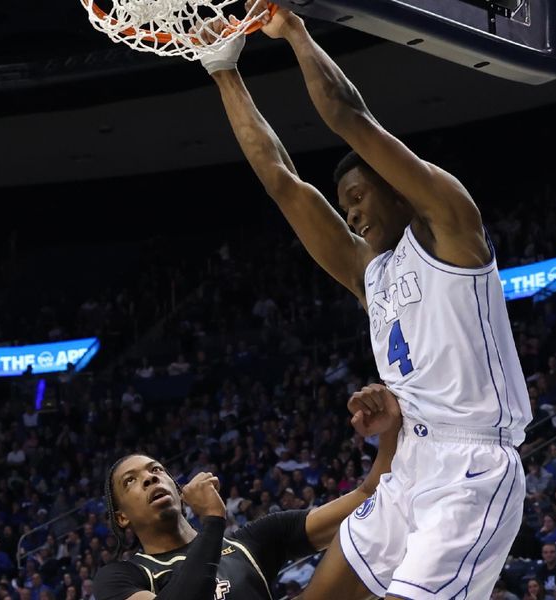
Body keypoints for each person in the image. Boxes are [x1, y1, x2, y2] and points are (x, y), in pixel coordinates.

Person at [198, 2, 531, 598]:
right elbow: (280, 179)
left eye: (357, 195)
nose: (349, 211)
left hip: (471, 472)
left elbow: (350, 116)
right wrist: (223, 67)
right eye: (344, 202)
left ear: (400, 193)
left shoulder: (452, 228)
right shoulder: (367, 271)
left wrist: (293, 31)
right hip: (408, 465)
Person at [92, 387, 400, 600]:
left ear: (177, 488)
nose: (149, 479)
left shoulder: (252, 542)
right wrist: (213, 521)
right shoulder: (120, 577)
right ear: (121, 517)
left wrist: (389, 428)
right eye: (130, 481)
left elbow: (369, 494)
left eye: (156, 470)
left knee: (364, 539)